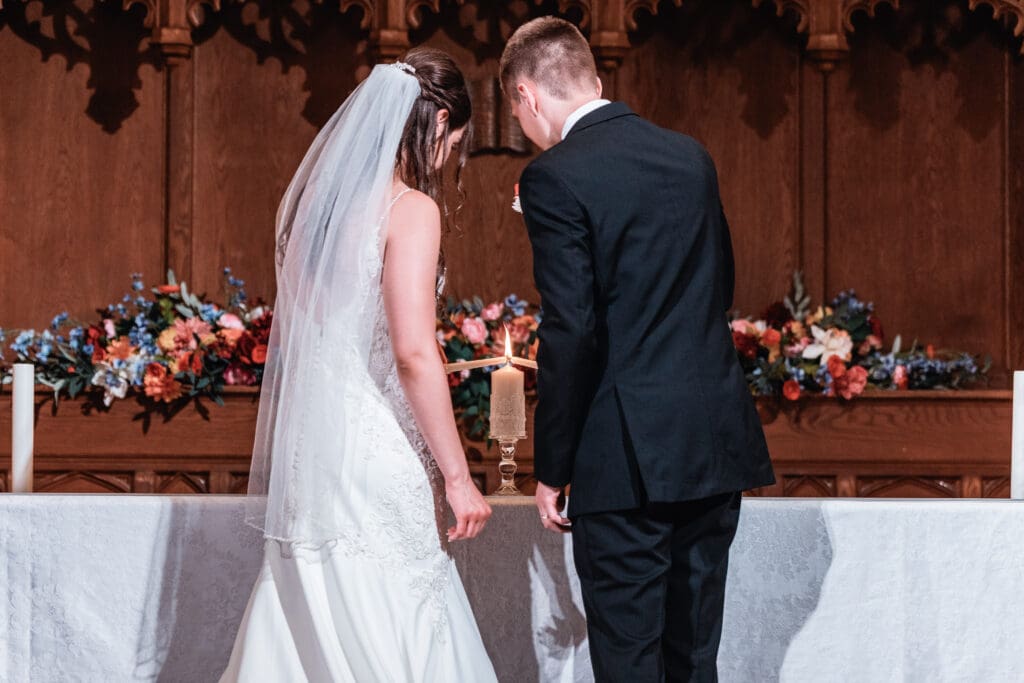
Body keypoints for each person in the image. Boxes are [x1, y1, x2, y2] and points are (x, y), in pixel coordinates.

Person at [500, 17, 775, 682]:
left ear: (528, 97)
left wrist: (552, 464)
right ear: (595, 79)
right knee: (692, 658)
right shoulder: (690, 157)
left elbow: (572, 330)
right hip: (711, 443)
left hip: (624, 459)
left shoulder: (553, 178)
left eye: (517, 112)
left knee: (628, 662)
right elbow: (718, 287)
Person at [220, 48, 497, 682]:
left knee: (305, 607)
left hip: (313, 446)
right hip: (370, 444)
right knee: (393, 599)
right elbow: (413, 352)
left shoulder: (320, 210)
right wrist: (457, 476)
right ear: (439, 122)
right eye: (455, 142)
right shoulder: (410, 210)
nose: (450, 156)